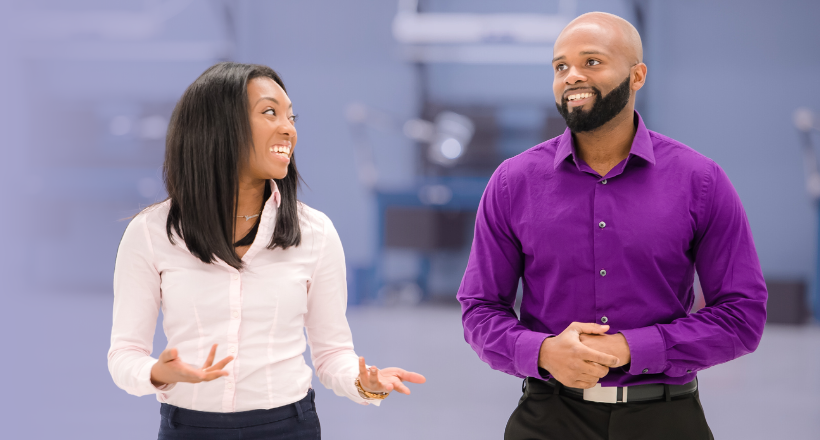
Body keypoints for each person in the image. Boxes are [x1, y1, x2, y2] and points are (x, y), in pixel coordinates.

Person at [457, 12, 766, 440]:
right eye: (560, 66)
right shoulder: (513, 182)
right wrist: (543, 351)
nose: (572, 76)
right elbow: (479, 309)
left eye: (592, 62)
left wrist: (630, 348)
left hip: (665, 419)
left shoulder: (701, 181)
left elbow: (741, 316)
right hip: (549, 417)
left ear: (637, 75)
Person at [108, 62, 425, 439]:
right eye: (269, 112)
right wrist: (157, 373)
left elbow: (332, 354)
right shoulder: (152, 232)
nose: (288, 128)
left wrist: (366, 383)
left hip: (287, 428)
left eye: (291, 116)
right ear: (217, 126)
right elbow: (124, 354)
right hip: (188, 427)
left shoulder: (315, 232)